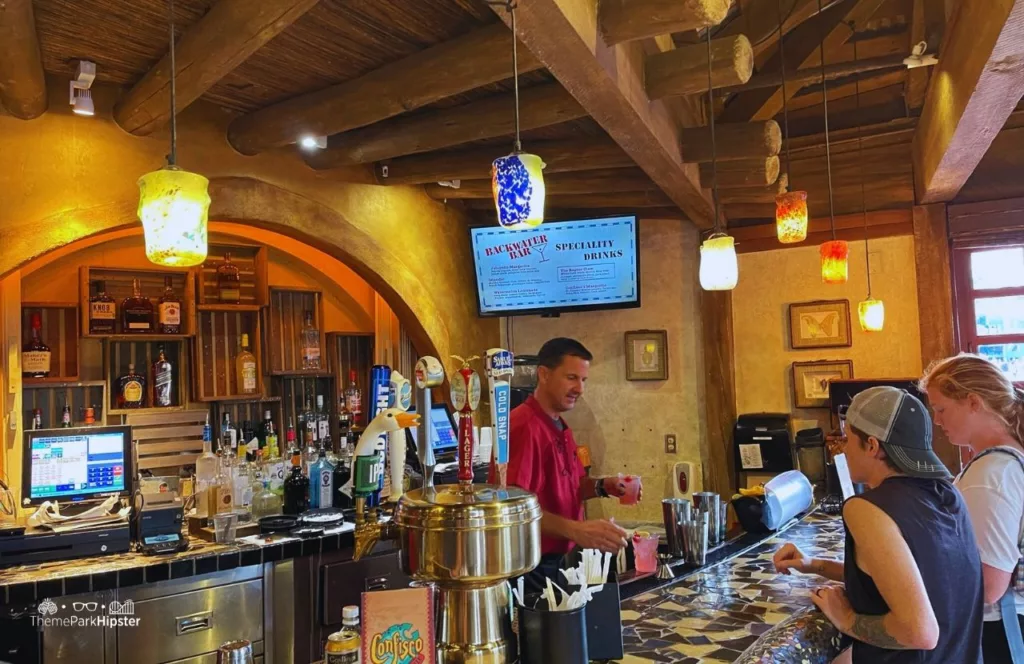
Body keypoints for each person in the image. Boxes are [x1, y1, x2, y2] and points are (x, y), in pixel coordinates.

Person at [773, 386, 983, 664]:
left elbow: (919, 633)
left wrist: (847, 620)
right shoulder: (947, 493)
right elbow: (914, 580)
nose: (843, 448)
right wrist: (814, 564)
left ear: (872, 446)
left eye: (847, 439)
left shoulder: (866, 509)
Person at [493, 337, 640, 573]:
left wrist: (603, 486)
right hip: (531, 566)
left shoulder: (559, 425)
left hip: (559, 560)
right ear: (544, 374)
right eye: (571, 378)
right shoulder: (523, 427)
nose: (580, 389)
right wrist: (577, 530)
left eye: (583, 380)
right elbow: (513, 510)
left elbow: (572, 486)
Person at [921, 354, 1024, 663]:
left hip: (998, 629)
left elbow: (989, 585)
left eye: (941, 409)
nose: (937, 421)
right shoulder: (1002, 462)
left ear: (974, 402)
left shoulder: (992, 473)